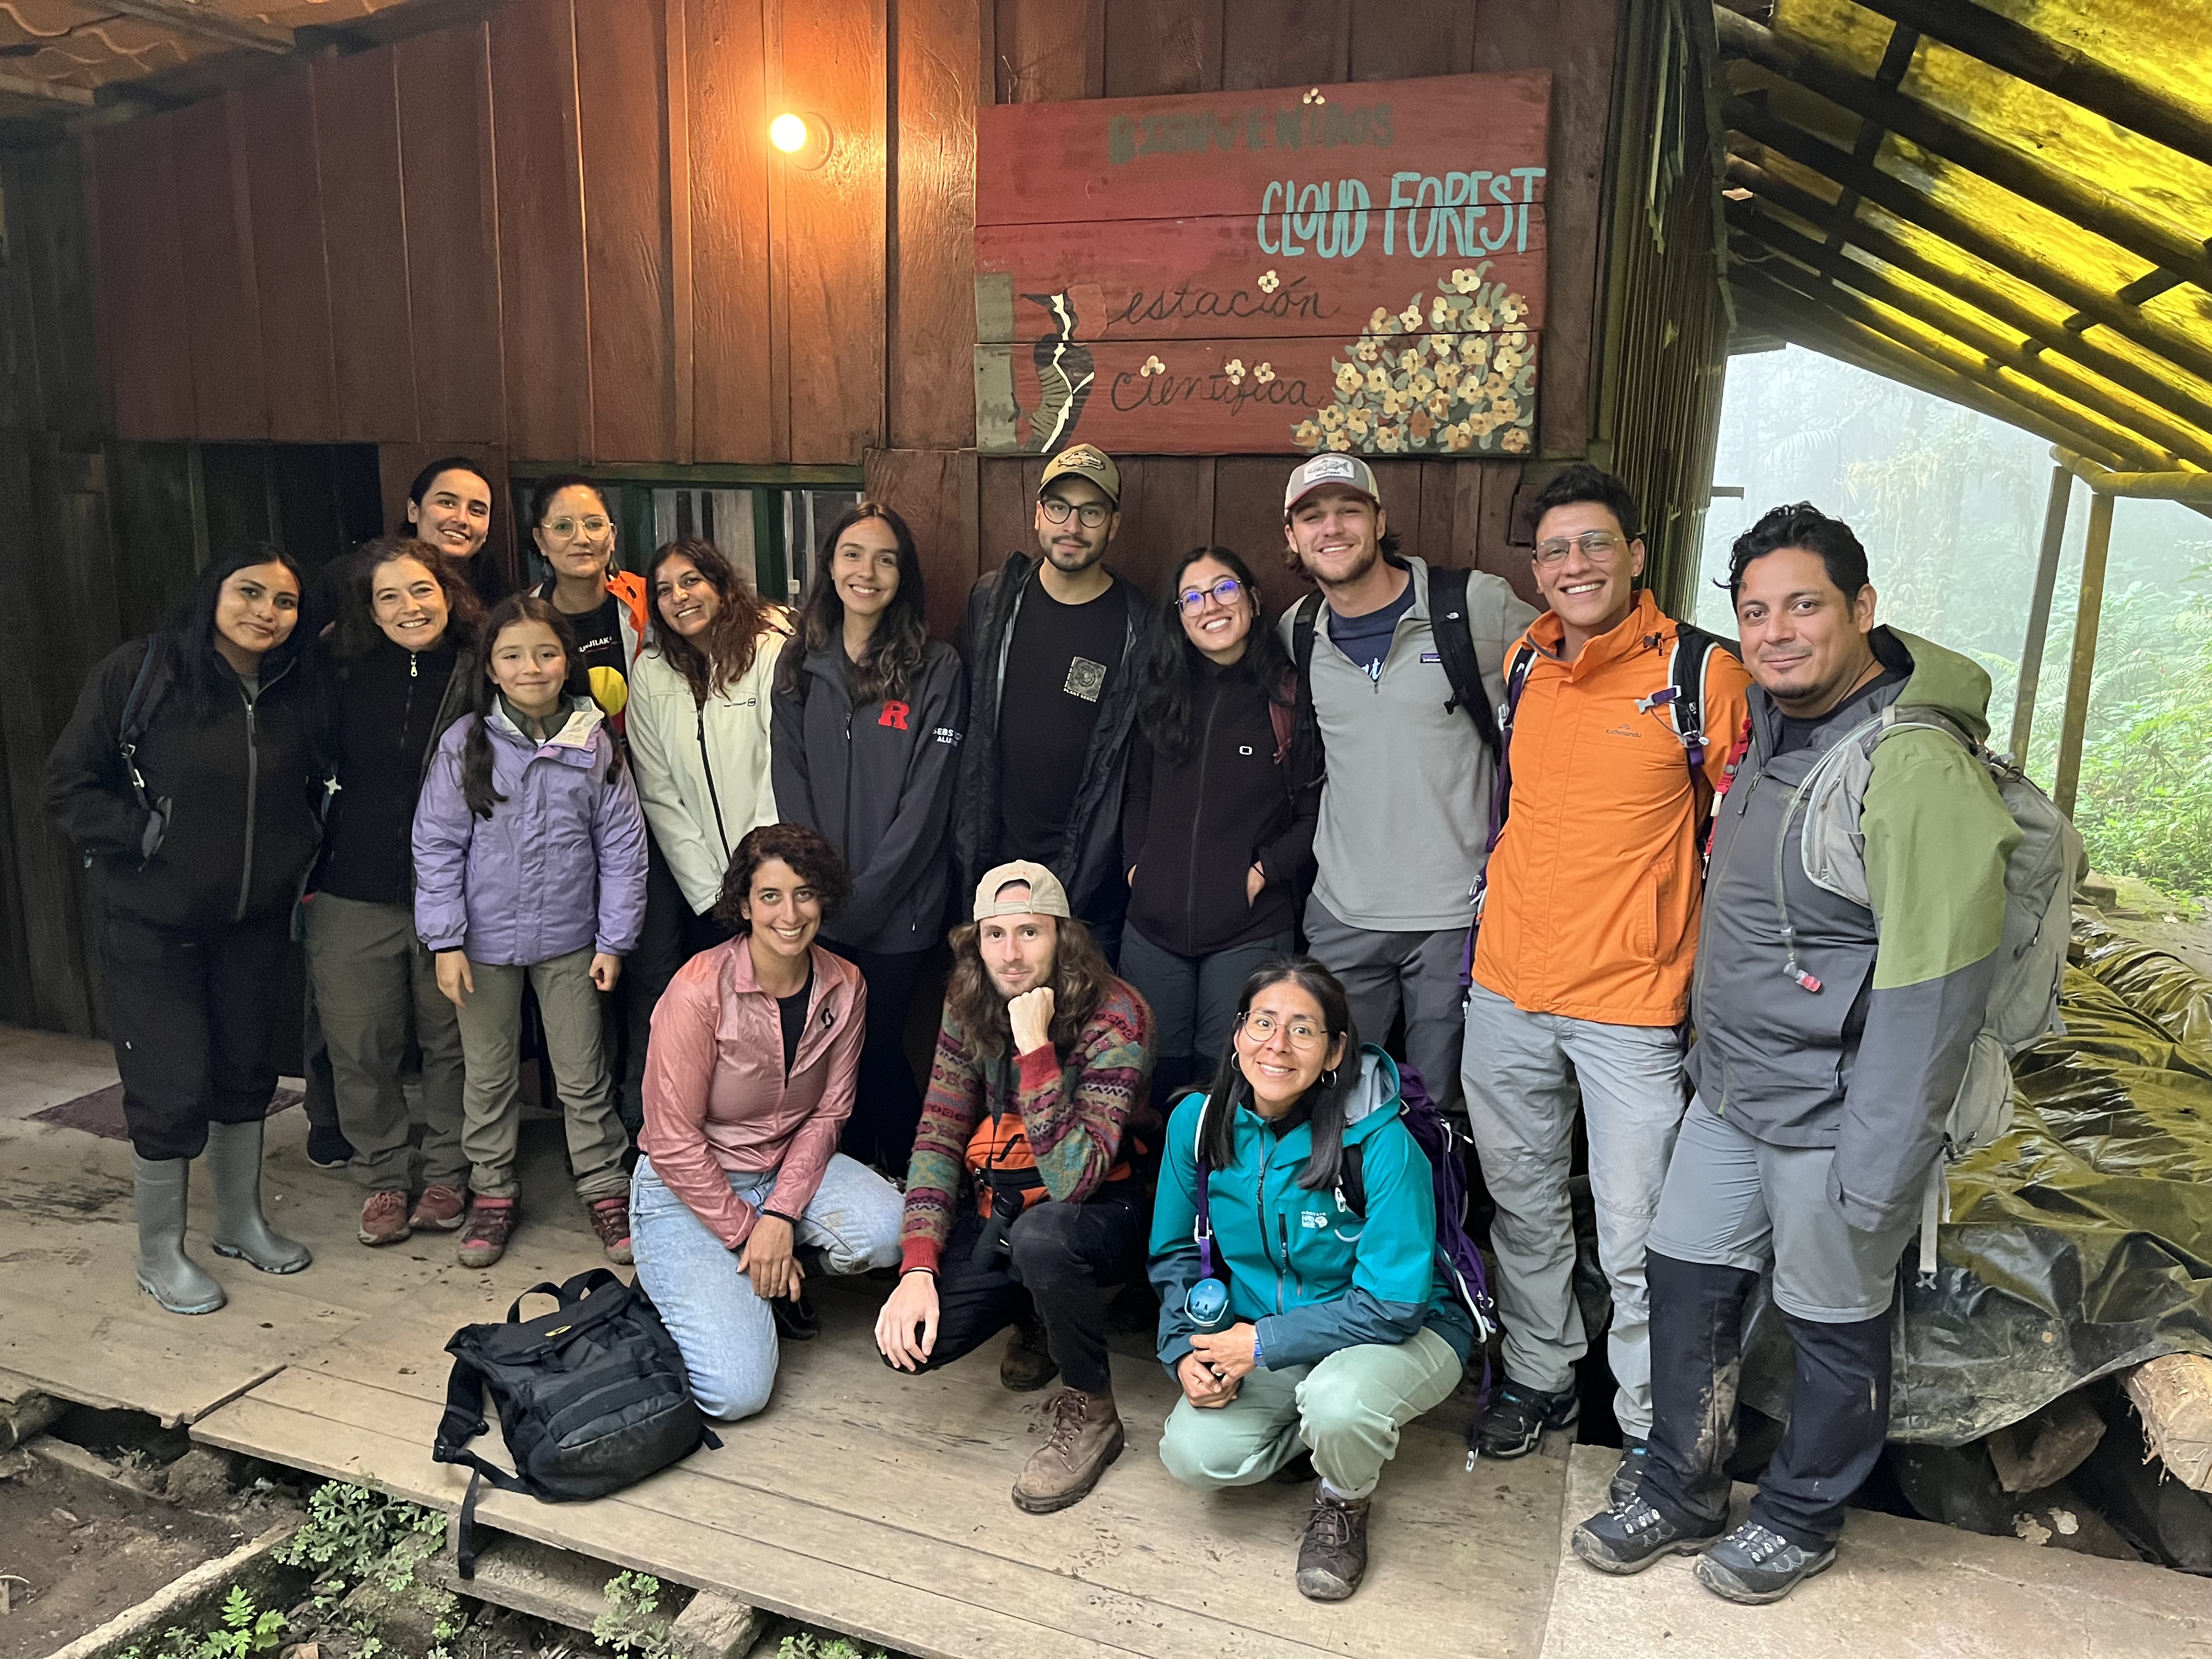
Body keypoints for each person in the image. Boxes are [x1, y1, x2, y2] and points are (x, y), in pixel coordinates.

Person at [1572, 504, 2019, 1603]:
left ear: (1863, 609)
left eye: (1804, 606)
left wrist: (1883, 1156)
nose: (1775, 633)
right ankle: (1678, 1488)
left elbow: (1939, 985)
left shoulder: (1911, 765)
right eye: (1754, 611)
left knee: (1833, 1320)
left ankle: (1805, 1515)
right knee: (1684, 1279)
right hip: (1734, 1093)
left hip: (1839, 1107)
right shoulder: (1777, 729)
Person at [1463, 466, 1751, 1485]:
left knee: (1635, 1233)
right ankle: (1542, 1375)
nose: (1573, 565)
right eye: (1553, 550)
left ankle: (1645, 1426)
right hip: (1503, 992)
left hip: (1630, 1007)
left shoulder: (1701, 675)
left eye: (1593, 544)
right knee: (1525, 1205)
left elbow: (1746, 828)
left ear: (1636, 554)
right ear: (1534, 570)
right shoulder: (1526, 665)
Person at [46, 546, 324, 1314]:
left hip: (254, 919)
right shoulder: (144, 673)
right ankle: (160, 1251)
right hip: (151, 920)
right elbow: (68, 783)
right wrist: (142, 836)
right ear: (214, 593)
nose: (267, 611)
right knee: (169, 1081)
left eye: (286, 601)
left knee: (244, 1070)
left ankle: (240, 1221)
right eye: (251, 592)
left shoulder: (293, 689)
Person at [1150, 957, 1472, 1602]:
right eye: (1263, 1022)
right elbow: (1177, 1256)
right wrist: (1183, 1348)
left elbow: (1393, 1305)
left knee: (1341, 1402)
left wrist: (1260, 1345)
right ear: (1238, 1033)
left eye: (1303, 1030)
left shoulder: (1377, 1144)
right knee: (1193, 1454)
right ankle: (1326, 1431)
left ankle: (1343, 1500)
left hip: (1406, 1330)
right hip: (1271, 1333)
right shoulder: (1197, 1122)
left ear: (1335, 1052)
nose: (1277, 1044)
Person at [873, 861, 1154, 1514]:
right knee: (917, 1345)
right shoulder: (967, 1001)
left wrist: (1035, 1051)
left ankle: (1093, 1411)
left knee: (1045, 1239)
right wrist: (916, 1267)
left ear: (1063, 937)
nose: (1011, 953)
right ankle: (1034, 1314)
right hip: (1005, 1194)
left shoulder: (1118, 1013)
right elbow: (940, 1136)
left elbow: (1075, 1177)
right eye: (994, 935)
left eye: (1030, 932)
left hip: (1104, 1204)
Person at [1278, 454, 1534, 1117]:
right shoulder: (1298, 631)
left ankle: (1431, 1223)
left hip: (1455, 917)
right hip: (1343, 912)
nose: (1331, 528)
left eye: (1348, 510)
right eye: (1312, 516)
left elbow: (1573, 672)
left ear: (1379, 520)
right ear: (1293, 537)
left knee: (1441, 1109)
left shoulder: (1468, 606)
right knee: (1330, 1103)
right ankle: (1340, 1222)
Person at [631, 823, 905, 1418]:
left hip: (786, 1170)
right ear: (745, 904)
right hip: (689, 1186)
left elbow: (832, 1110)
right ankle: (699, 1279)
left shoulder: (844, 983)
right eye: (771, 896)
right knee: (737, 1395)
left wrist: (779, 1214)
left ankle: (773, 1277)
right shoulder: (698, 989)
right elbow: (674, 1142)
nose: (790, 912)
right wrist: (748, 1232)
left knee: (893, 1230)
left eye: (805, 893)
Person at [413, 595, 650, 1269]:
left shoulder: (592, 739)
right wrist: (446, 941)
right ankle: (491, 1190)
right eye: (512, 655)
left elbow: (623, 847)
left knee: (582, 1072)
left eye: (546, 653)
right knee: (488, 1075)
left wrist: (613, 941)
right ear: (490, 667)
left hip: (571, 940)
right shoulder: (468, 743)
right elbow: (435, 845)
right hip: (482, 948)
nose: (532, 667)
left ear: (565, 660)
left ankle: (603, 1185)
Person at [773, 503, 966, 1171]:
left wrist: (861, 899)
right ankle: (848, 1193)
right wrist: (816, 893)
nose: (867, 571)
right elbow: (790, 784)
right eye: (853, 554)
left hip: (900, 910)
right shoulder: (801, 663)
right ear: (829, 565)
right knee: (828, 1056)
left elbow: (928, 802)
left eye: (886, 559)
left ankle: (921, 1188)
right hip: (817, 908)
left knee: (876, 1045)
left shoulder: (935, 666)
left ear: (903, 575)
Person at [307, 538, 485, 1247]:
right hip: (353, 887)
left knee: (453, 1040)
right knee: (361, 1043)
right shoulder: (338, 669)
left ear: (447, 592)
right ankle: (383, 1172)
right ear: (368, 610)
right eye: (389, 596)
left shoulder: (477, 669)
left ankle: (447, 1171)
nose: (409, 607)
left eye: (421, 590)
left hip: (456, 891)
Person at [1120, 545, 1313, 1110]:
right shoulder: (1161, 691)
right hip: (1153, 929)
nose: (1212, 606)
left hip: (1248, 928)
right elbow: (1136, 793)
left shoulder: (1288, 697)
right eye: (1194, 597)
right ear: (1179, 616)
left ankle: (1219, 1197)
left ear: (1252, 600)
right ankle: (1154, 1197)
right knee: (1150, 1077)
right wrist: (1138, 868)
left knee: (1230, 1080)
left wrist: (1264, 873)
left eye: (1225, 589)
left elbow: (1315, 809)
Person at [951, 444, 1145, 962]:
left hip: (1090, 885)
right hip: (993, 874)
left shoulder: (1139, 626)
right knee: (993, 1035)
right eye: (1059, 506)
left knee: (1084, 1038)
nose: (1072, 525)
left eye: (1092, 511)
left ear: (1113, 524)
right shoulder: (993, 603)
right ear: (1039, 513)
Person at [624, 537, 788, 1130]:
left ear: (720, 584)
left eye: (691, 581)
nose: (678, 598)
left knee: (775, 1017)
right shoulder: (650, 670)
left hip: (773, 878)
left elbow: (781, 765)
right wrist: (714, 891)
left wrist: (761, 878)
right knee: (715, 1023)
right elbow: (658, 789)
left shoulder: (769, 651)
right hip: (707, 893)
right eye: (663, 590)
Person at [526, 475, 648, 719]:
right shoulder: (523, 617)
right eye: (563, 526)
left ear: (612, 536)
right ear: (541, 540)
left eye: (594, 525)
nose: (581, 539)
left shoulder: (649, 600)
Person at [405, 456, 506, 607]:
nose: (462, 519)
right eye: (447, 503)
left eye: (477, 511)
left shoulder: (504, 606)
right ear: (414, 511)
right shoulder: (376, 586)